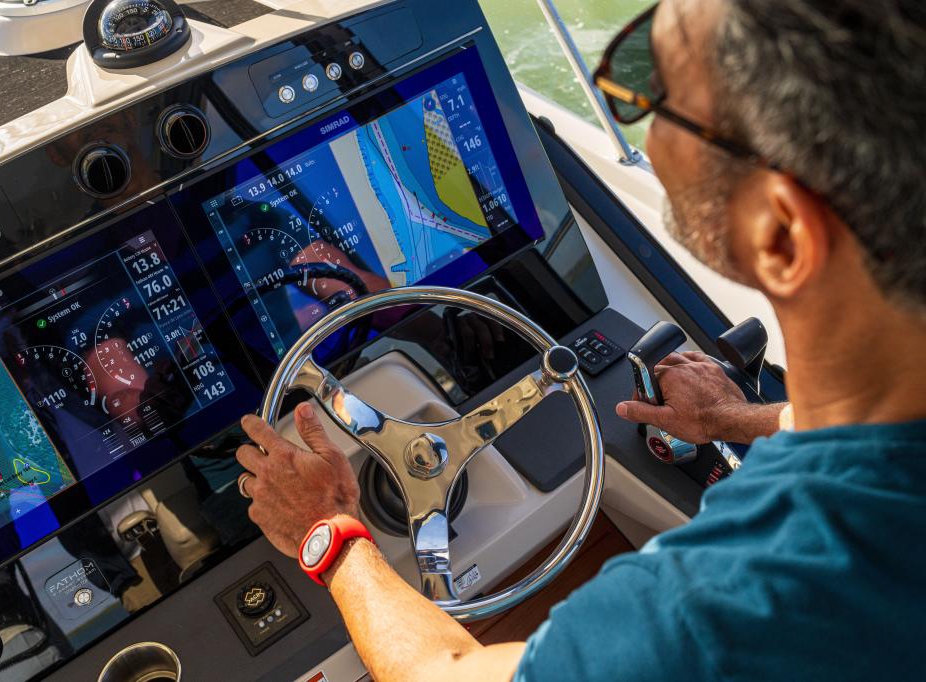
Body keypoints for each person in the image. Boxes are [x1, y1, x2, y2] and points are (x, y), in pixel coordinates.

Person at [235, 0, 926, 679]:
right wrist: (737, 419)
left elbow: (445, 671)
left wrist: (328, 531)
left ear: (779, 236)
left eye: (655, 93)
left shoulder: (727, 601)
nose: (634, 105)